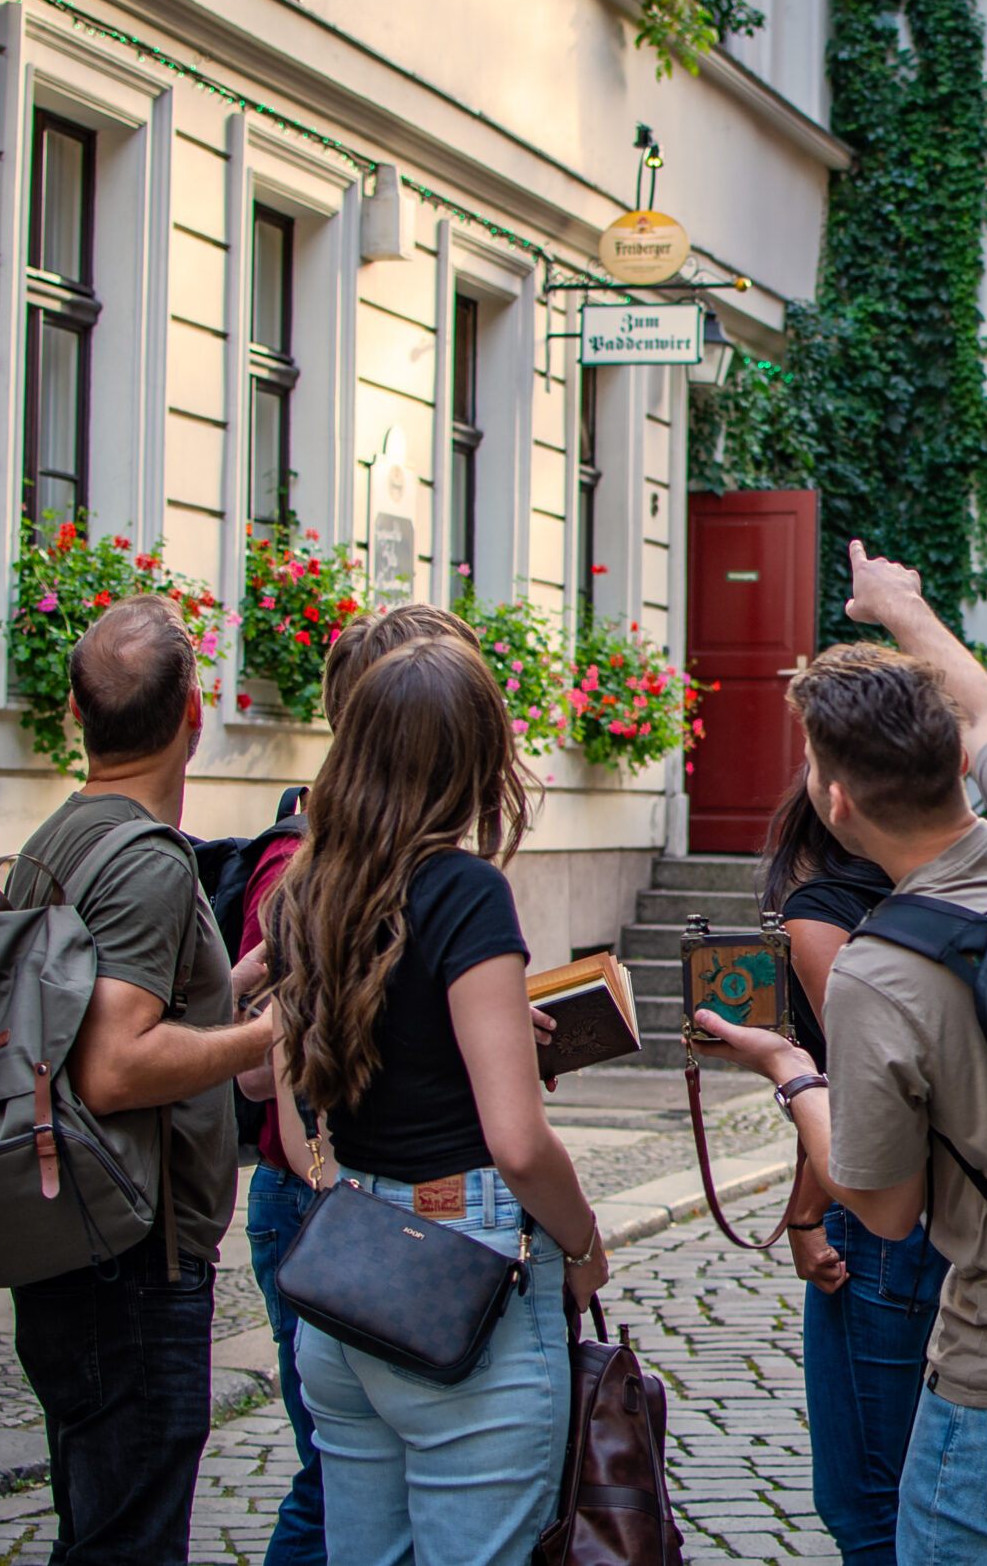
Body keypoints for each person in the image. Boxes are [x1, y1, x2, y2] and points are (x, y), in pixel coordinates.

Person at [696, 540, 987, 1566]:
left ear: (835, 802)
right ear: (962, 762)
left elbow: (882, 1206)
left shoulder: (880, 971)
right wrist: (901, 608)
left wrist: (792, 1073)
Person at [260, 633, 610, 1566]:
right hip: (464, 1274)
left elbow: (292, 1109)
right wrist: (581, 1243)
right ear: (477, 760)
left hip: (348, 1279)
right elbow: (519, 1141)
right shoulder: (464, 891)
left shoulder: (310, 887)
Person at [2, 594, 278, 1566]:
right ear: (194, 719)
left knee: (99, 1525)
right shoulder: (150, 863)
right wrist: (265, 1036)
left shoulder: (57, 840)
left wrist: (231, 988)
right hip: (131, 1256)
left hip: (72, 1243)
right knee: (130, 1543)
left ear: (76, 717)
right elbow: (115, 1063)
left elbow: (96, 1014)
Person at [230, 603, 485, 1566]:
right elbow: (263, 1073)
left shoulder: (397, 869)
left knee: (363, 1487)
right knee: (333, 1490)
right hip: (327, 1206)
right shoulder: (306, 869)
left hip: (355, 1204)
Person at [759, 771, 948, 1565]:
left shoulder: (820, 914)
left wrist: (804, 1215)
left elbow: (862, 1089)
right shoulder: (947, 883)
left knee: (867, 1494)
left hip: (875, 1221)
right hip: (959, 1207)